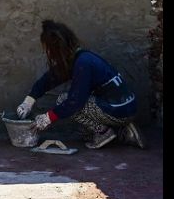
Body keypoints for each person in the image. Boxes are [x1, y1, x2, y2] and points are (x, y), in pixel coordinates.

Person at [16, 19, 145, 150]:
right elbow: (50, 78)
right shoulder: (81, 57)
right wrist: (29, 101)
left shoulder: (82, 64)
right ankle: (124, 129)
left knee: (64, 100)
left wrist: (48, 118)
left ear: (56, 48)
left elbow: (75, 101)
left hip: (118, 110)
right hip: (127, 108)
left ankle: (104, 132)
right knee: (85, 134)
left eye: (48, 49)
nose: (47, 53)